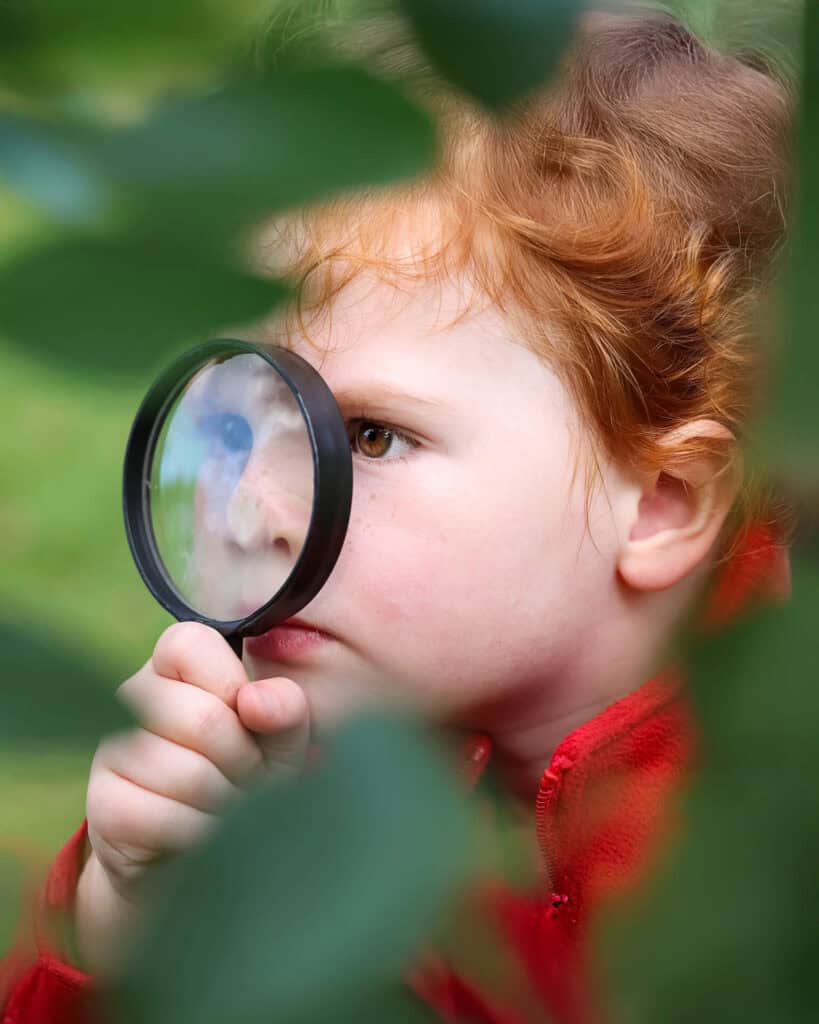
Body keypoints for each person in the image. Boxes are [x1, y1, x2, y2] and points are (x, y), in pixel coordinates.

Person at [0, 9, 794, 1024]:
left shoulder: (771, 881)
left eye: (369, 437)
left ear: (660, 505)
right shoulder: (307, 798)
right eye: (241, 423)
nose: (252, 509)